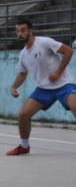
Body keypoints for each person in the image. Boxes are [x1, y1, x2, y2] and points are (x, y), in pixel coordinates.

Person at [8, 18, 76, 155]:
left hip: (64, 85)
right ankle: (24, 146)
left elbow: (68, 51)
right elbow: (22, 74)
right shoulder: (23, 54)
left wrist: (58, 72)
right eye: (17, 31)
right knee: (23, 115)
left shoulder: (45, 42)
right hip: (44, 89)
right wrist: (13, 87)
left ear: (30, 31)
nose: (19, 34)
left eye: (23, 30)